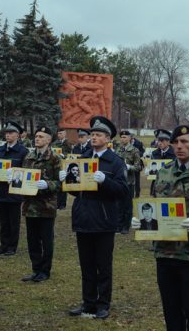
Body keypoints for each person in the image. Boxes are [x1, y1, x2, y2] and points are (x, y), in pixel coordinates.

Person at [132, 125, 189, 331]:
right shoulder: (164, 172)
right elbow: (155, 206)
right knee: (171, 312)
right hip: (166, 253)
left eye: (184, 141)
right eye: (176, 142)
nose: (179, 146)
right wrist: (144, 222)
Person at [65, 116, 129, 320]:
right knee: (86, 265)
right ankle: (88, 302)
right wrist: (66, 182)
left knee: (103, 265)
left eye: (98, 134)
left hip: (103, 220)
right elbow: (78, 192)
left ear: (108, 138)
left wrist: (105, 181)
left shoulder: (116, 162)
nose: (94, 137)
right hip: (83, 217)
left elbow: (122, 191)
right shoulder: (82, 157)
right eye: (92, 134)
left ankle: (103, 304)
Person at [18, 126, 61, 283]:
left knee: (46, 239)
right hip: (30, 205)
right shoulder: (29, 157)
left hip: (46, 206)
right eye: (36, 136)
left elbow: (60, 183)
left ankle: (45, 270)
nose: (37, 139)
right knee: (32, 239)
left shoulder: (54, 158)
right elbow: (23, 177)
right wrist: (15, 181)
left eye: (41, 136)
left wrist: (47, 185)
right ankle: (36, 269)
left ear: (49, 140)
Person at [0, 121, 28, 256]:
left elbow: (26, 171)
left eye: (11, 133)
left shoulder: (23, 151)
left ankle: (12, 246)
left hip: (14, 190)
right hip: (1, 189)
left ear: (17, 135)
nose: (8, 135)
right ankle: (3, 245)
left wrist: (14, 175)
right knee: (3, 220)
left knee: (13, 220)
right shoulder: (1, 149)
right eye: (6, 133)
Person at [114, 129, 142, 234]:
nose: (123, 139)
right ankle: (118, 225)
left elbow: (138, 167)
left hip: (129, 181)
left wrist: (129, 167)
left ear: (130, 138)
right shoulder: (118, 149)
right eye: (121, 137)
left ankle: (126, 226)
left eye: (125, 137)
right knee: (118, 204)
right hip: (119, 181)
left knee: (127, 205)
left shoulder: (134, 150)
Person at [150, 129, 176, 196]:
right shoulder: (154, 153)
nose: (160, 143)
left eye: (162, 141)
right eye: (158, 141)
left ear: (168, 142)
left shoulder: (175, 153)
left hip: (171, 184)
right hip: (157, 184)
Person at [52, 127, 72, 210]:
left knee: (63, 185)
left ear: (65, 134)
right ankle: (57, 203)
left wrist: (65, 155)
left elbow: (71, 154)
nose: (60, 135)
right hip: (57, 166)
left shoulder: (68, 143)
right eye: (59, 133)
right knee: (57, 184)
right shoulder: (55, 143)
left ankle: (62, 204)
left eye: (61, 133)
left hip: (64, 165)